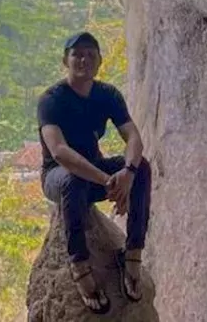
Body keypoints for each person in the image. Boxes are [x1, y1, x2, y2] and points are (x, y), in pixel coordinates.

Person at [38, 31, 151, 314]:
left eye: (90, 54)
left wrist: (127, 172)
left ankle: (133, 252)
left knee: (143, 167)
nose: (83, 60)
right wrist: (109, 181)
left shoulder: (107, 95)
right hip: (58, 177)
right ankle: (79, 264)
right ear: (65, 60)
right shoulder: (52, 99)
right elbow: (59, 152)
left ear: (100, 61)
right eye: (77, 54)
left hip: (96, 173)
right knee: (72, 178)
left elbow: (133, 138)